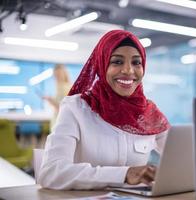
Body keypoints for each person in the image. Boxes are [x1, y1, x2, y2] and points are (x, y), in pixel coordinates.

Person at [38, 30, 170, 190]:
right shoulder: (76, 108)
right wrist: (125, 174)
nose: (128, 70)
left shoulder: (149, 113)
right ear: (101, 64)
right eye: (117, 62)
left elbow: (183, 159)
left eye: (136, 62)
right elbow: (50, 173)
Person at [42, 64, 72, 128]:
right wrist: (50, 99)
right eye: (55, 76)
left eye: (58, 75)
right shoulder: (60, 87)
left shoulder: (65, 87)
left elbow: (63, 108)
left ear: (64, 74)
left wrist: (50, 101)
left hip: (62, 122)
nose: (56, 78)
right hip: (58, 121)